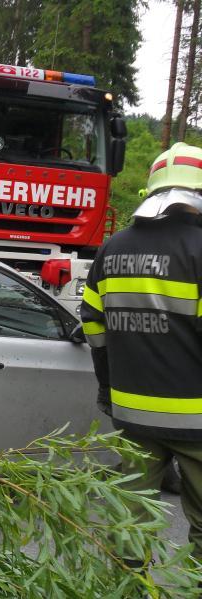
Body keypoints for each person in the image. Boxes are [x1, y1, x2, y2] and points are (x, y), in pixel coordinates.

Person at [80, 142, 202, 564]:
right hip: (197, 418)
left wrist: (108, 386)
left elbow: (93, 325)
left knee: (129, 522)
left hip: (133, 414)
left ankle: (127, 588)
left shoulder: (113, 248)